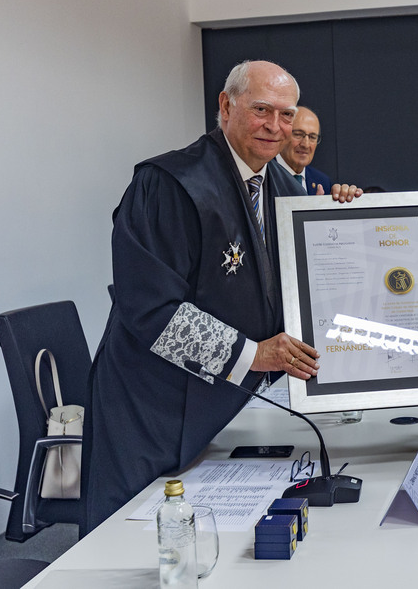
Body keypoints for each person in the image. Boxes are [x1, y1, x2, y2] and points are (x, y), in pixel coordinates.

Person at [83, 60, 360, 532]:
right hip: (152, 407)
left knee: (213, 546)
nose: (276, 127)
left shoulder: (283, 185)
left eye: (287, 115)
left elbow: (291, 280)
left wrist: (341, 218)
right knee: (131, 545)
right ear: (225, 106)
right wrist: (254, 354)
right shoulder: (168, 184)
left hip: (225, 405)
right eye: (261, 110)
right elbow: (151, 312)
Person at [276, 105, 332, 194]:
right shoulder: (264, 174)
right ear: (283, 134)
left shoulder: (322, 182)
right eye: (298, 134)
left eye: (312, 137)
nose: (305, 145)